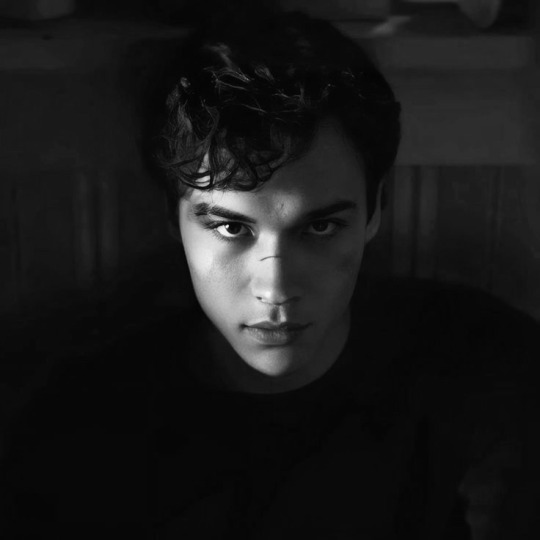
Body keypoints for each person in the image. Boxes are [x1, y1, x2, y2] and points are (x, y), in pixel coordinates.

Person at [1, 9, 539, 539]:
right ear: (172, 218)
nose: (276, 290)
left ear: (375, 210)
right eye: (232, 229)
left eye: (320, 227)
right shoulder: (83, 430)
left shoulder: (486, 373)